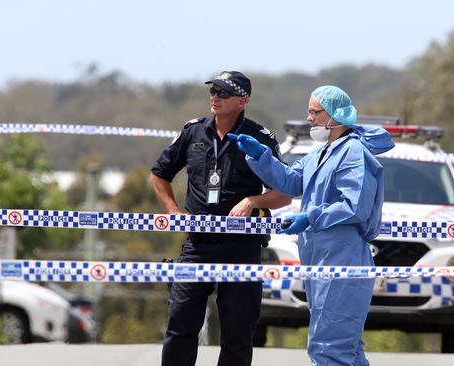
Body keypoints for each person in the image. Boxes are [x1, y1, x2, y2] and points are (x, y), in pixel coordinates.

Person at [228, 85, 394, 365]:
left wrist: (311, 217)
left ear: (335, 116)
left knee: (329, 349)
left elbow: (354, 206)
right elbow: (292, 182)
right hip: (321, 262)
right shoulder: (321, 153)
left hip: (343, 261)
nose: (309, 118)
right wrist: (261, 157)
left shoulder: (353, 152)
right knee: (345, 350)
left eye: (314, 112)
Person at [150, 70, 292, 366]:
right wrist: (174, 213)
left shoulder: (260, 137)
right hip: (197, 245)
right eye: (212, 91)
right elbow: (159, 174)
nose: (214, 97)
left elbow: (284, 193)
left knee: (238, 334)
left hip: (242, 247)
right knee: (180, 326)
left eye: (223, 93)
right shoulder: (193, 131)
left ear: (242, 100)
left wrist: (253, 201)